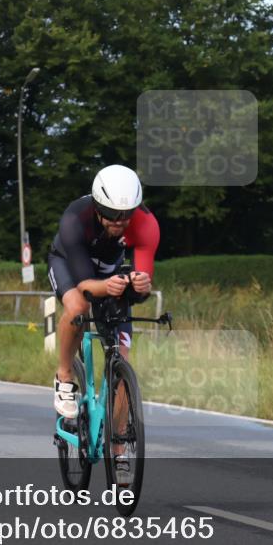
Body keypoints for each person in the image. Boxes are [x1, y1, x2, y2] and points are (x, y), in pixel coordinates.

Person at [47, 164, 160, 430]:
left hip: (109, 273)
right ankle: (64, 376)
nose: (119, 221)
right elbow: (85, 286)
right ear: (97, 207)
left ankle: (119, 447)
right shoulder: (75, 218)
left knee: (123, 358)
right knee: (78, 306)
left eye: (126, 214)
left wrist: (140, 286)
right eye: (111, 214)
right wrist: (108, 286)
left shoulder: (147, 225)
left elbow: (139, 294)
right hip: (69, 264)